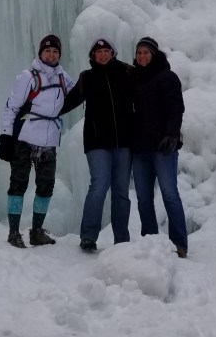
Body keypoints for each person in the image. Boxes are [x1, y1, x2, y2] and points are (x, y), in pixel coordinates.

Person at [0, 34, 75, 249]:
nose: (51, 55)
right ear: (40, 53)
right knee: (18, 184)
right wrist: (5, 136)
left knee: (45, 187)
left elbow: (77, 92)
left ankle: (37, 231)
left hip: (49, 140)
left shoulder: (63, 78)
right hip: (24, 138)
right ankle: (14, 232)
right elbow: (11, 107)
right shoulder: (28, 77)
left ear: (59, 54)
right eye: (47, 51)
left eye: (55, 51)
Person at [62, 37, 134, 252]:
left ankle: (122, 240)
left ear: (113, 53)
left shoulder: (127, 72)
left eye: (106, 50)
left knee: (121, 191)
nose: (102, 54)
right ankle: (88, 236)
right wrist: (38, 112)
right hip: (97, 143)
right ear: (92, 56)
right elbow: (67, 103)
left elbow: (144, 97)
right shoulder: (87, 78)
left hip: (124, 142)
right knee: (99, 186)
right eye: (98, 51)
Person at [131, 36, 188, 258]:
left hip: (163, 147)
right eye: (139, 53)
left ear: (154, 54)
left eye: (146, 52)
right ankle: (150, 241)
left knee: (169, 193)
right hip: (140, 149)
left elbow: (176, 107)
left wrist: (172, 134)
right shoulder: (134, 79)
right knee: (144, 198)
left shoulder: (167, 77)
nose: (142, 56)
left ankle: (179, 243)